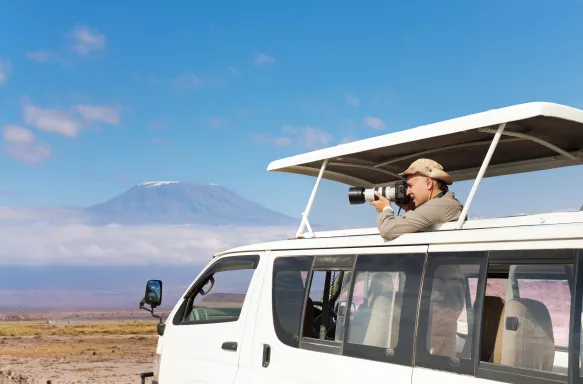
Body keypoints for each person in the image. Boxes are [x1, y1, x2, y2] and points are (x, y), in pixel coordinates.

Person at [371, 158, 462, 240]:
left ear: (428, 183)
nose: (407, 192)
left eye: (410, 186)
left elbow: (387, 230)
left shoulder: (439, 205)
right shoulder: (446, 203)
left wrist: (385, 209)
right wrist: (409, 208)